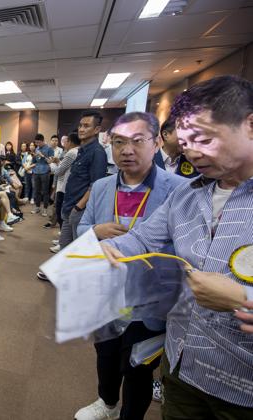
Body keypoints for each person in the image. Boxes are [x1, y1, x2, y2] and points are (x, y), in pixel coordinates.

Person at [100, 75, 253, 418]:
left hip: (244, 385)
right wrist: (111, 250)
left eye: (203, 138)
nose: (193, 153)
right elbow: (142, 238)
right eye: (184, 143)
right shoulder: (186, 193)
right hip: (182, 363)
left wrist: (243, 300)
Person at [73, 112, 186, 420]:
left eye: (137, 141)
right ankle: (107, 403)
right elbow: (81, 228)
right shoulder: (101, 187)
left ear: (156, 142)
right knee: (105, 354)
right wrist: (96, 231)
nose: (127, 150)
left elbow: (186, 246)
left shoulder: (180, 189)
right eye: (119, 142)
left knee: (137, 365)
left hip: (149, 294)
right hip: (106, 290)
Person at [59, 111, 108, 248]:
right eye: (80, 125)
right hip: (70, 206)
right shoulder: (82, 150)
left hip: (80, 211)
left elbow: (96, 185)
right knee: (65, 248)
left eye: (86, 126)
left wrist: (78, 207)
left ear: (97, 129)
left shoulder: (97, 152)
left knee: (77, 252)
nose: (81, 129)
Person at [47, 133, 80, 252]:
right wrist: (58, 162)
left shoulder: (71, 153)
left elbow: (58, 172)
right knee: (63, 214)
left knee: (63, 215)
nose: (64, 143)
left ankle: (63, 242)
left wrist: (51, 163)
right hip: (67, 186)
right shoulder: (78, 152)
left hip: (64, 187)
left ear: (70, 142)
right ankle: (63, 239)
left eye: (65, 141)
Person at [30, 133, 54, 216]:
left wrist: (42, 156)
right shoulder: (36, 149)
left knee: (45, 191)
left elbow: (50, 162)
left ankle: (45, 209)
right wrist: (34, 157)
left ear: (43, 141)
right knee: (36, 191)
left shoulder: (49, 149)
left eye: (39, 142)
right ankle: (37, 207)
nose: (37, 144)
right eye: (36, 143)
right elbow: (35, 161)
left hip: (45, 172)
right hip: (36, 172)